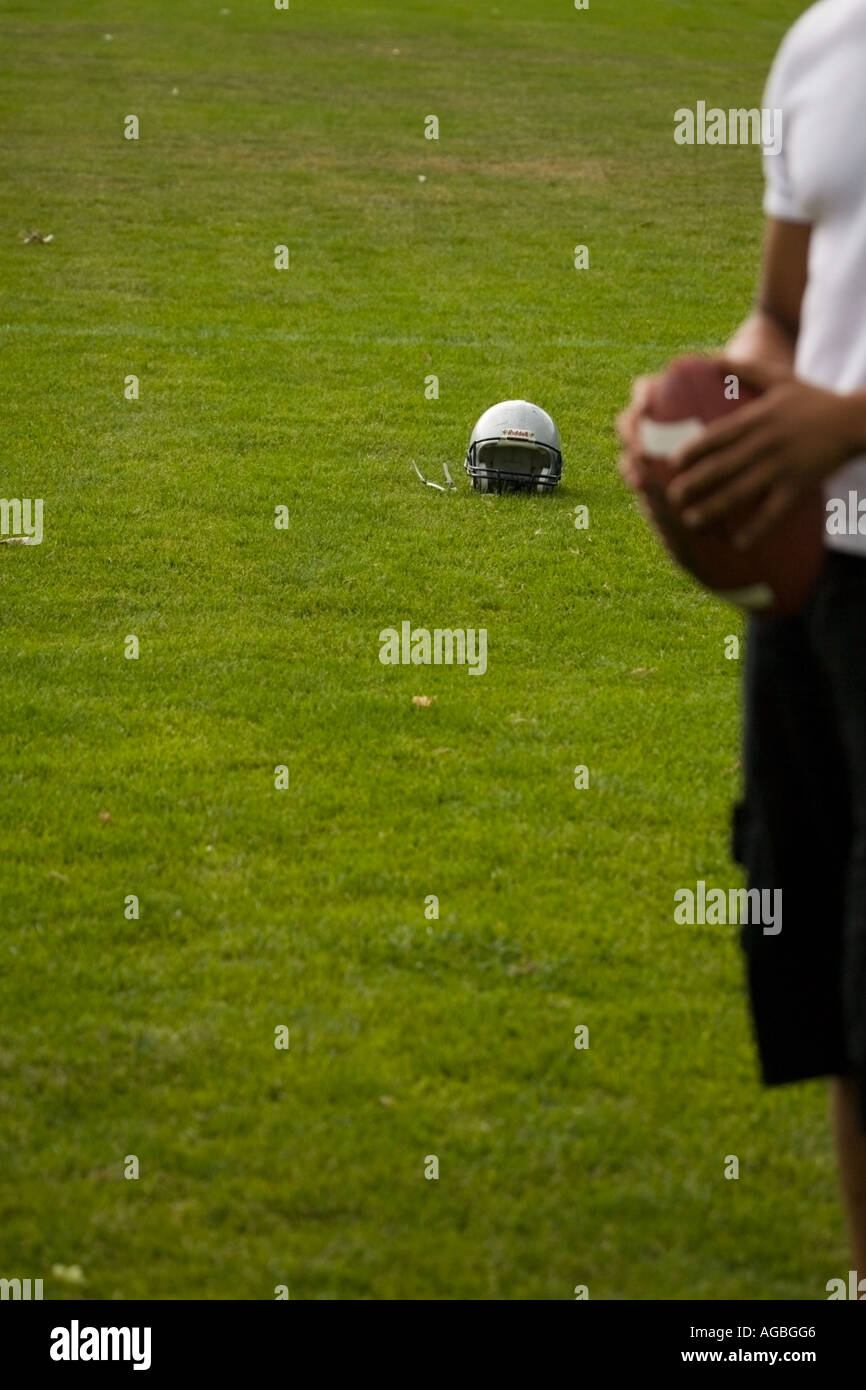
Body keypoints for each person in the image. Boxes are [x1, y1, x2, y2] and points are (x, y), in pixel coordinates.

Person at [617, 0, 866, 1278]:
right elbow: (780, 316)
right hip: (814, 594)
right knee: (837, 998)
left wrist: (844, 422)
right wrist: (695, 426)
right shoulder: (825, 41)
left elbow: (830, 394)